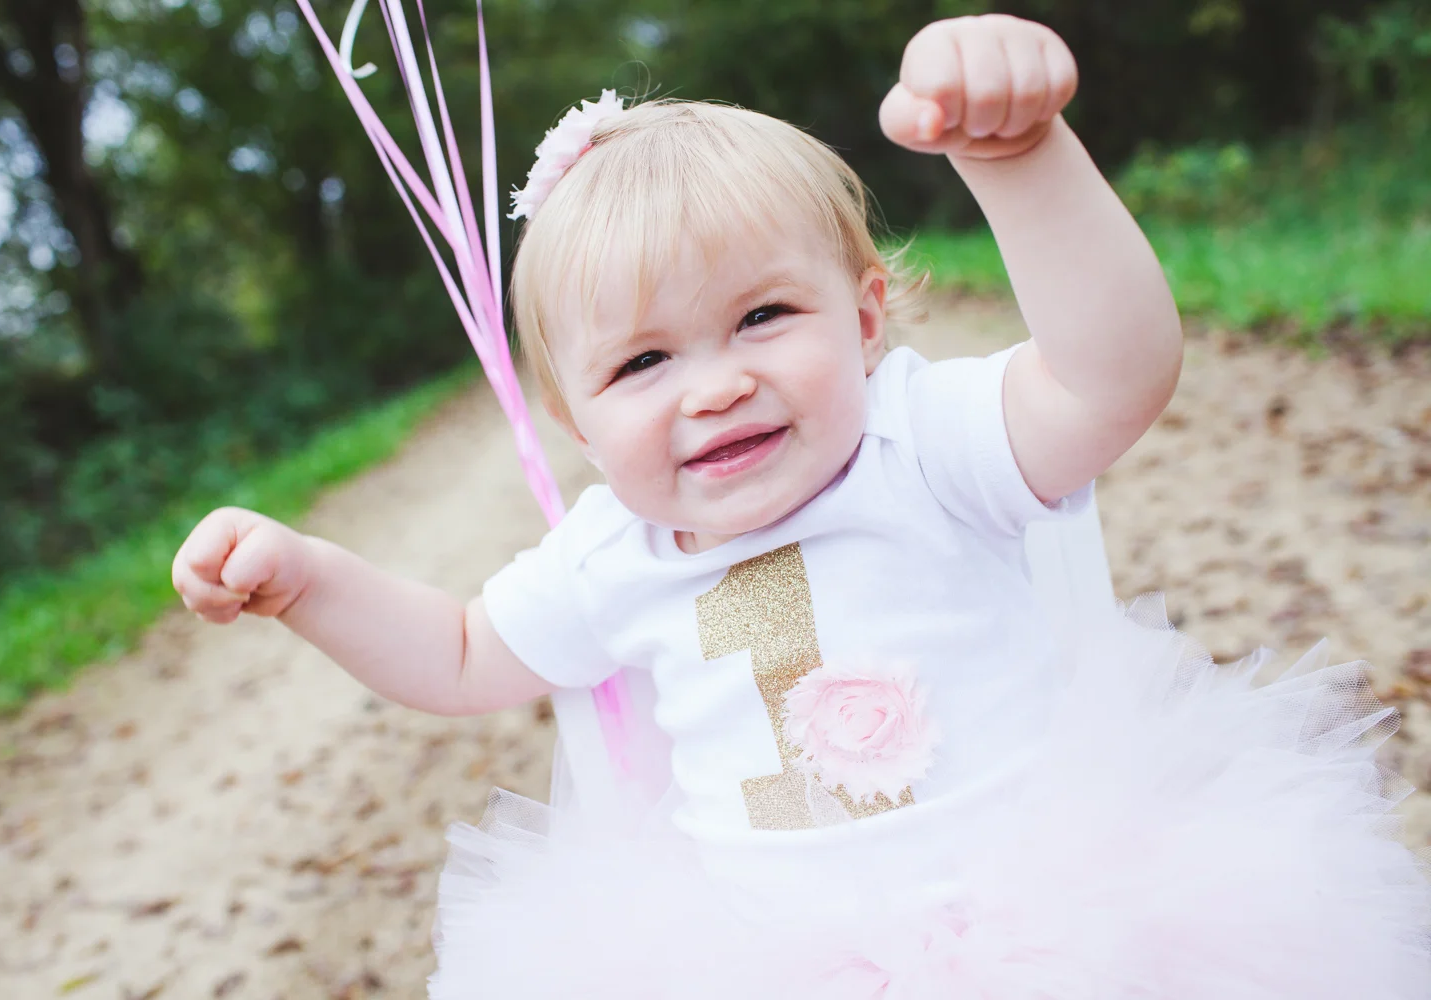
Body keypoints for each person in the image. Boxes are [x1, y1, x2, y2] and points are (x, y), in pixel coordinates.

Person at [173, 14, 1429, 997]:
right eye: (643, 362)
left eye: (763, 316)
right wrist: (309, 580)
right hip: (779, 964)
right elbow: (457, 655)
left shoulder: (919, 447)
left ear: (867, 315)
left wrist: (1020, 159)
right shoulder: (611, 555)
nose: (716, 386)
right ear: (573, 418)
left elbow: (1115, 377)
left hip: (1058, 932)